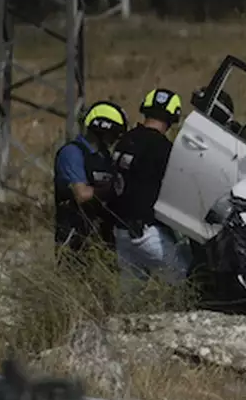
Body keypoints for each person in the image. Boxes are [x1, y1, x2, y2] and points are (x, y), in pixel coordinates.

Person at [109, 88, 192, 290]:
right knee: (186, 278)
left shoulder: (126, 140)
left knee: (130, 293)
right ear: (173, 117)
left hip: (120, 231)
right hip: (146, 233)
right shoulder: (162, 148)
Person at [53, 101, 126, 266]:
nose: (114, 140)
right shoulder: (72, 153)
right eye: (114, 134)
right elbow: (82, 194)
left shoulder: (104, 157)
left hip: (103, 239)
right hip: (75, 239)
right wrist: (113, 189)